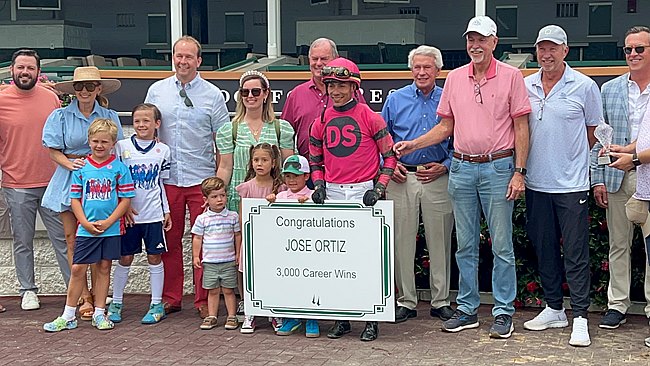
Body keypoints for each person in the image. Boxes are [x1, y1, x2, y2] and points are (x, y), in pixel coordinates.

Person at [394, 16, 531, 339]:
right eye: (471, 39)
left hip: (499, 168)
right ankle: (468, 309)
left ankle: (502, 312)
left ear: (494, 42)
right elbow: (445, 127)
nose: (475, 45)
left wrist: (519, 172)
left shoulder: (512, 76)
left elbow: (522, 127)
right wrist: (414, 143)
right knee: (465, 245)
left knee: (501, 246)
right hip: (461, 168)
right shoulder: (455, 78)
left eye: (482, 39)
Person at [521, 25, 600, 347]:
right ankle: (554, 309)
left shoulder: (584, 86)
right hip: (535, 182)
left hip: (572, 184)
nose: (547, 54)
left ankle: (580, 316)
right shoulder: (525, 85)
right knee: (545, 249)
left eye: (553, 48)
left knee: (577, 253)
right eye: (542, 48)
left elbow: (594, 133)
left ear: (565, 51)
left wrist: (583, 169)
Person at [309, 57, 397, 342]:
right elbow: (315, 159)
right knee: (336, 259)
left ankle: (371, 319)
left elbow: (390, 156)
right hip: (333, 191)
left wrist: (380, 188)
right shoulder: (320, 120)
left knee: (367, 258)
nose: (335, 91)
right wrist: (319, 185)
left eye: (341, 85)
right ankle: (342, 317)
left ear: (353, 86)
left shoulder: (371, 116)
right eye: (331, 85)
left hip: (363, 192)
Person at [144, 35, 229, 318]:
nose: (183, 61)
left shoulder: (213, 95)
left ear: (199, 60)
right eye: (178, 56)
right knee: (169, 241)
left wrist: (218, 185)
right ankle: (171, 297)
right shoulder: (157, 91)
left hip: (201, 180)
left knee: (206, 242)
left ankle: (205, 300)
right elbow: (147, 133)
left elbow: (223, 142)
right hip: (168, 180)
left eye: (188, 57)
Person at [42, 66, 124, 320]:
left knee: (100, 236)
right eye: (79, 86)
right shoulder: (60, 116)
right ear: (73, 90)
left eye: (90, 86)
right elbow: (52, 149)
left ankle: (98, 299)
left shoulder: (110, 115)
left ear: (99, 89)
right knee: (72, 239)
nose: (85, 91)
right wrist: (71, 164)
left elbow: (117, 150)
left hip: (102, 181)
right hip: (71, 177)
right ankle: (83, 296)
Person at [381, 45, 455, 323]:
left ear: (438, 70)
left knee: (440, 241)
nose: (422, 72)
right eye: (417, 67)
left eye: (427, 67)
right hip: (402, 177)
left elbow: (458, 138)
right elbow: (381, 138)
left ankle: (441, 301)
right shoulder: (395, 99)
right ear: (411, 70)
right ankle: (406, 301)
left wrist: (445, 165)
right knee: (401, 241)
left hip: (437, 176)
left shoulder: (448, 99)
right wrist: (389, 164)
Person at [216, 70, 294, 320]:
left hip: (273, 195)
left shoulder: (281, 128)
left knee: (273, 250)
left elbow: (288, 163)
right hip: (241, 196)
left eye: (256, 91)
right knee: (242, 249)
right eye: (245, 92)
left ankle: (272, 295)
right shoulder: (231, 129)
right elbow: (225, 166)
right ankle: (244, 298)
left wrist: (291, 194)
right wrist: (217, 194)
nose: (250, 96)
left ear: (266, 94)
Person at [43, 118, 134, 332]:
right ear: (89, 141)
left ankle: (100, 313)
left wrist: (110, 221)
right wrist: (84, 222)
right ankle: (68, 315)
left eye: (104, 142)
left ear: (113, 144)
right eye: (95, 141)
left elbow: (126, 199)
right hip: (86, 228)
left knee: (104, 267)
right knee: (77, 268)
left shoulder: (119, 168)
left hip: (110, 229)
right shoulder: (81, 168)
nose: (99, 145)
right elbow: (75, 199)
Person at [0, 49, 70, 311]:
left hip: (53, 181)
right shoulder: (1, 99)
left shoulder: (51, 98)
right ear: (11, 71)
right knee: (22, 240)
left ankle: (73, 289)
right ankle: (27, 290)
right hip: (16, 182)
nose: (25, 72)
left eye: (30, 68)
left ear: (38, 72)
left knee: (63, 239)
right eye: (20, 68)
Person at [590, 26, 650, 331]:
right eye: (628, 49)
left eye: (640, 48)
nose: (633, 54)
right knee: (618, 245)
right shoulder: (609, 90)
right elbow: (600, 137)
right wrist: (597, 177)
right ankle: (617, 305)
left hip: (648, 177)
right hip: (617, 177)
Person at [107, 103, 172, 325]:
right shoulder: (122, 147)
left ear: (157, 124)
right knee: (125, 257)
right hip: (129, 215)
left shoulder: (163, 150)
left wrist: (166, 210)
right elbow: (115, 180)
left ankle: (156, 304)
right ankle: (116, 302)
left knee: (154, 257)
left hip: (153, 214)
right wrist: (121, 208)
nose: (141, 125)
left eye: (146, 120)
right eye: (137, 121)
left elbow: (161, 183)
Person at [235, 142, 286, 334]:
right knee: (249, 273)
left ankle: (274, 312)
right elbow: (242, 215)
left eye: (264, 160)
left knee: (271, 273)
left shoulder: (279, 188)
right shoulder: (247, 187)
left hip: (272, 241)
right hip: (251, 238)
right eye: (256, 160)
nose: (259, 164)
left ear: (273, 163)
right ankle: (250, 311)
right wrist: (243, 237)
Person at [267, 154, 319, 337]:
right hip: (287, 252)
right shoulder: (280, 196)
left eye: (296, 175)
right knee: (290, 284)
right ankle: (293, 318)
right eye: (288, 176)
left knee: (311, 283)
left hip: (310, 252)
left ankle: (312, 318)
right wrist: (271, 204)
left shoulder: (314, 196)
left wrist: (310, 203)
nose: (291, 180)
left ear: (306, 176)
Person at [192, 177, 241, 331]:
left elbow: (237, 235)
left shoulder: (232, 216)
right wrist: (195, 256)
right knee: (212, 290)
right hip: (210, 261)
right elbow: (197, 238)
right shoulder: (202, 219)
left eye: (222, 195)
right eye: (214, 196)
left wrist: (238, 253)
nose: (219, 199)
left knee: (228, 290)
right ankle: (212, 316)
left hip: (228, 260)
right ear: (206, 199)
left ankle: (232, 316)